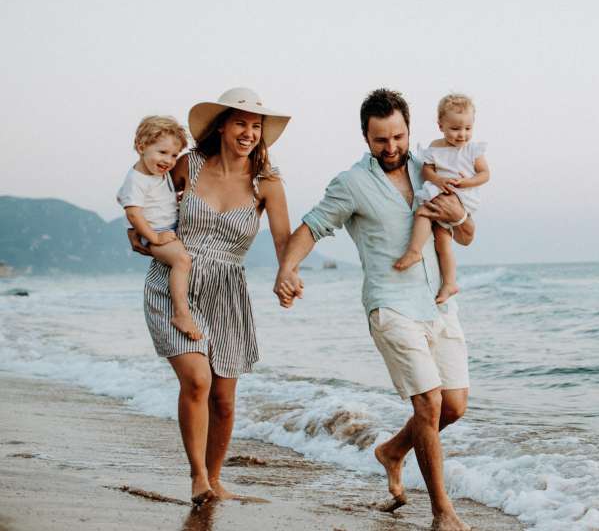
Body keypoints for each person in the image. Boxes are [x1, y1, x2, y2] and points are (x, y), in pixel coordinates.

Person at [274, 88, 475, 531]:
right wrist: (287, 268)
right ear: (365, 137)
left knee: (454, 406)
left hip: (439, 305)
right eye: (381, 140)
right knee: (429, 403)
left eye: (399, 137)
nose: (392, 148)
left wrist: (459, 214)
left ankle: (391, 451)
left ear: (409, 130)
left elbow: (466, 236)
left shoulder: (433, 170)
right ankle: (443, 513)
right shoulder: (351, 184)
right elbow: (311, 226)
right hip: (390, 305)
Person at [129, 87, 292, 505]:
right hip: (174, 280)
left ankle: (215, 481)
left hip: (228, 290)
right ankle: (198, 478)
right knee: (198, 381)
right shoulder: (189, 166)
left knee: (224, 399)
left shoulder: (268, 184)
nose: (249, 132)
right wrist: (140, 234)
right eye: (241, 122)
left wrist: (287, 274)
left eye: (256, 126)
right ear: (222, 125)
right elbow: (148, 199)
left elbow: (281, 241)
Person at [394, 93, 490, 303]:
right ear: (441, 125)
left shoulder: (472, 150)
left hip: (461, 195)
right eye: (455, 129)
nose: (462, 134)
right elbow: (427, 171)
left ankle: (414, 250)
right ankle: (449, 284)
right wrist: (438, 180)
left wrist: (466, 183)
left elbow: (485, 174)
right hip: (439, 191)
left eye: (467, 128)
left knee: (422, 212)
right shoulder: (435, 147)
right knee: (442, 243)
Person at [117, 115, 200, 340]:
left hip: (166, 227)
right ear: (141, 146)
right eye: (162, 152)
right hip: (153, 233)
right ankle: (181, 314)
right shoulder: (137, 179)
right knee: (182, 260)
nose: (169, 161)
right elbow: (133, 213)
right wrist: (153, 237)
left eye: (174, 155)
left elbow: (125, 198)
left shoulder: (154, 174)